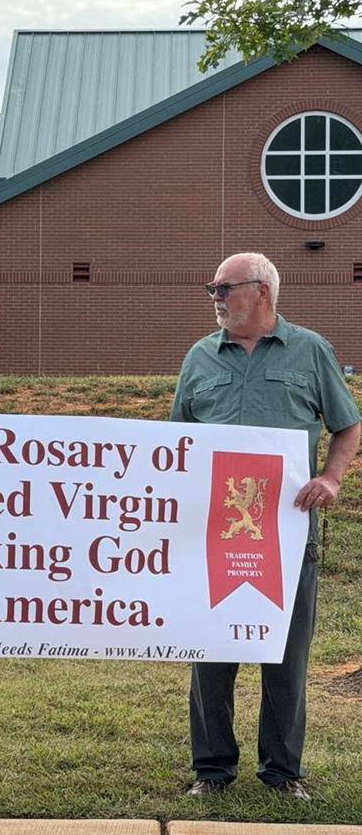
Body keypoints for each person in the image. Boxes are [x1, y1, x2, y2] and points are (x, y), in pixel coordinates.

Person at [171, 252, 361, 801]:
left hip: (288, 533)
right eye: (212, 289)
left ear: (261, 291)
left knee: (286, 652)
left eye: (222, 288)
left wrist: (331, 479)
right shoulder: (200, 358)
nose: (214, 297)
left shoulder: (311, 350)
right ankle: (212, 771)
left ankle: (282, 771)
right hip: (214, 535)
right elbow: (177, 444)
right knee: (210, 652)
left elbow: (347, 428)